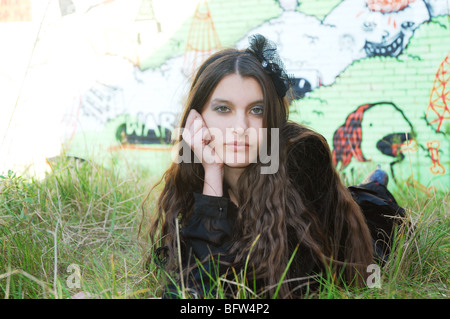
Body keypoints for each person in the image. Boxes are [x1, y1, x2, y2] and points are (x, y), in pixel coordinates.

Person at [143, 34, 405, 299]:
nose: (240, 128)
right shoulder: (195, 172)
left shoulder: (302, 155)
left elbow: (282, 284)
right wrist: (212, 172)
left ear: (272, 118)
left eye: (256, 110)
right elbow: (193, 288)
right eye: (223, 109)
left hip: (362, 231)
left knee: (372, 201)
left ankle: (378, 183)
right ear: (197, 118)